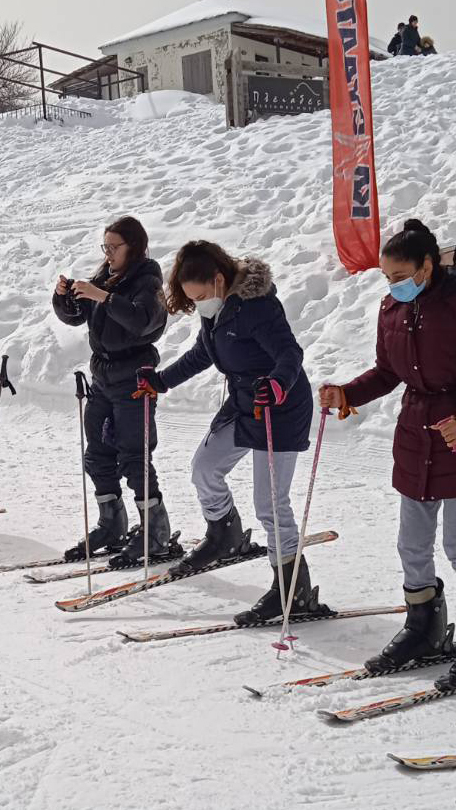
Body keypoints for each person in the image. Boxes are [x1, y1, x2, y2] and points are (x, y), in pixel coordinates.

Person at [318, 219, 456, 687]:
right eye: (387, 278)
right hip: (415, 434)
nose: (393, 286)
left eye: (401, 275)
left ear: (428, 265)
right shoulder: (391, 308)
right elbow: (387, 373)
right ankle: (423, 626)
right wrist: (346, 393)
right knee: (411, 542)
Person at [134, 242, 333, 624]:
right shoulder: (217, 310)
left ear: (219, 279)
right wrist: (161, 381)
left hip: (280, 405)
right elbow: (203, 353)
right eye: (193, 300)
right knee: (204, 468)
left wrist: (277, 384)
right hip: (245, 404)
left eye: (201, 296)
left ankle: (292, 590)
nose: (200, 305)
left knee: (271, 503)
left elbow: (290, 353)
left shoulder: (258, 307)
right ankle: (224, 532)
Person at [52, 216, 177, 566]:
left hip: (135, 375)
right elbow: (76, 316)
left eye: (113, 247)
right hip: (103, 375)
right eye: (104, 247)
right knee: (97, 453)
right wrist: (64, 298)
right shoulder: (106, 277)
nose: (107, 254)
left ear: (133, 247)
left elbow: (143, 321)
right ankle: (112, 523)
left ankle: (156, 531)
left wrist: (103, 296)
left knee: (135, 454)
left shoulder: (148, 279)